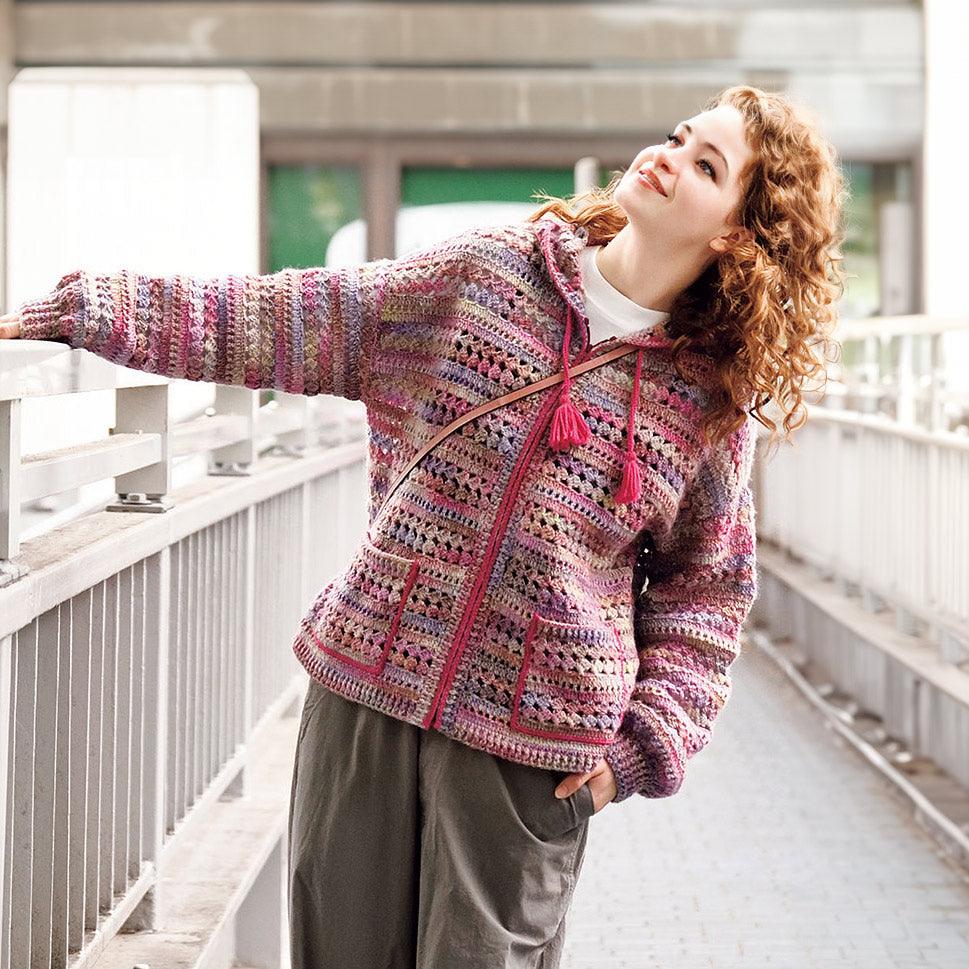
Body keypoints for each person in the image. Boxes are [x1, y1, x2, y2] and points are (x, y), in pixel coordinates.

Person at [0, 85, 843, 968]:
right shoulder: (486, 278)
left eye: (705, 165)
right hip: (366, 694)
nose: (667, 155)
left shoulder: (705, 404)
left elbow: (705, 592)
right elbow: (288, 318)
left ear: (736, 236)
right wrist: (92, 308)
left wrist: (638, 748)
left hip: (530, 749)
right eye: (679, 135)